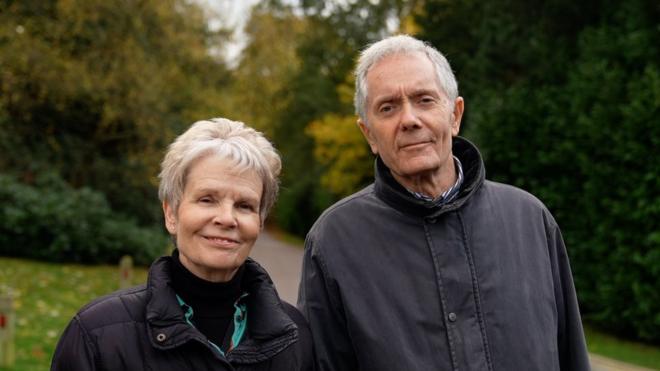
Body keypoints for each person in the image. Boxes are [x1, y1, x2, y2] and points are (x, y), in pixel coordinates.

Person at [298, 35, 590, 370]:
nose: (409, 119)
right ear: (369, 135)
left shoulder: (529, 219)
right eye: (388, 107)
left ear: (455, 115)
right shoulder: (334, 240)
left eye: (424, 100)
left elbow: (572, 355)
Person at [52, 118, 314, 370]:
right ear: (171, 214)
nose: (226, 218)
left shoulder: (294, 337)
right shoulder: (97, 336)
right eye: (207, 199)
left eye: (244, 206)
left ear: (260, 221)